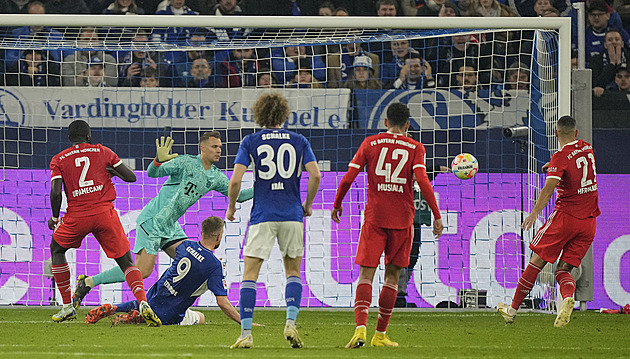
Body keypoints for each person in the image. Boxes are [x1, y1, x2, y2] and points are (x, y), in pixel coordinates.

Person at [72, 132, 254, 309]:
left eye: (220, 147)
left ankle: (170, 305)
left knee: (193, 261)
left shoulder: (215, 176)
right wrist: (158, 160)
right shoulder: (185, 163)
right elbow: (153, 172)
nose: (219, 150)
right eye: (214, 146)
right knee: (142, 271)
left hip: (170, 226)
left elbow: (240, 196)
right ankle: (88, 282)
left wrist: (263, 186)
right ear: (203, 147)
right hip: (153, 221)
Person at [332, 102, 443, 348]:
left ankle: (360, 328)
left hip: (375, 218)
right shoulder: (415, 147)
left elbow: (349, 176)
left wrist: (337, 203)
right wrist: (436, 214)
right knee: (392, 277)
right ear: (407, 125)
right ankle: (380, 335)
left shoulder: (370, 143)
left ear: (384, 122)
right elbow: (423, 180)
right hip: (403, 220)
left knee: (365, 275)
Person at [226, 92, 321, 349]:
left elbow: (235, 180)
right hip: (292, 215)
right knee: (293, 271)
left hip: (262, 216)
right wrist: (308, 205)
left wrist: (232, 206)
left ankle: (246, 333)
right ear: (283, 114)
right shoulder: (299, 140)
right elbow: (315, 176)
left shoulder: (251, 141)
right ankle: (290, 322)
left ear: (259, 114)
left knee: (250, 274)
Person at [48, 120, 161, 326]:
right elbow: (131, 177)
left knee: (56, 249)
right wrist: (112, 171)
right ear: (89, 136)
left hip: (77, 215)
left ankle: (67, 306)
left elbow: (56, 192)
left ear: (70, 138)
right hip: (104, 214)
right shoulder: (103, 151)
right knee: (127, 262)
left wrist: (55, 218)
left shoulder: (59, 159)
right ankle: (143, 302)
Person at [497, 115, 600, 328]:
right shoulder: (587, 148)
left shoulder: (560, 157)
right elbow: (574, 166)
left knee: (536, 261)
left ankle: (512, 310)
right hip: (589, 222)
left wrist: (534, 212)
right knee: (563, 270)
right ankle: (568, 298)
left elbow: (548, 188)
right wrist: (553, 165)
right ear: (576, 133)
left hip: (565, 219)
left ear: (555, 134)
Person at [86, 217, 243, 326]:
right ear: (219, 237)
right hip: (171, 312)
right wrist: (244, 322)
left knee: (147, 304)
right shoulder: (214, 265)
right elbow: (222, 301)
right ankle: (134, 318)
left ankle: (115, 308)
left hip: (157, 293)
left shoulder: (184, 245)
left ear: (202, 232)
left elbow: (193, 259)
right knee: (201, 318)